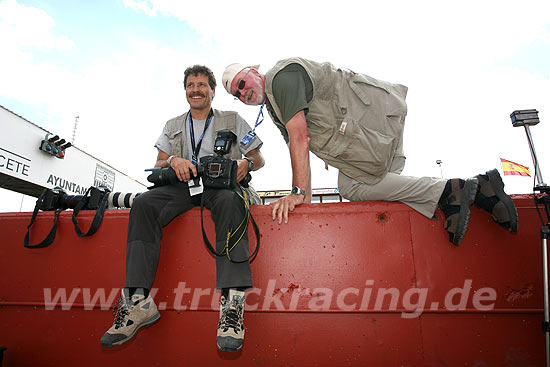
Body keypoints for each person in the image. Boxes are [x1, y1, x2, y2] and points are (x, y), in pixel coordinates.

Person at [222, 58, 517, 246]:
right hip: (372, 133)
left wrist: (298, 192)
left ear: (254, 71)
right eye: (236, 94)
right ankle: (473, 193)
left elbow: (300, 138)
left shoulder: (280, 77)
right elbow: (299, 146)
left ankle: (455, 190)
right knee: (382, 188)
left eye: (242, 84)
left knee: (351, 186)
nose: (242, 93)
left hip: (375, 122)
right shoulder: (275, 106)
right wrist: (306, 205)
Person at [100, 65, 265, 353]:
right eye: (191, 85)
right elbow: (159, 164)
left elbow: (259, 158)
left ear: (213, 90)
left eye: (202, 84)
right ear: (186, 90)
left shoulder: (234, 119)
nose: (196, 89)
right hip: (183, 187)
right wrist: (174, 160)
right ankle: (138, 302)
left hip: (222, 188)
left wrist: (245, 164)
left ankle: (232, 306)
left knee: (230, 202)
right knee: (144, 203)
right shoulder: (173, 125)